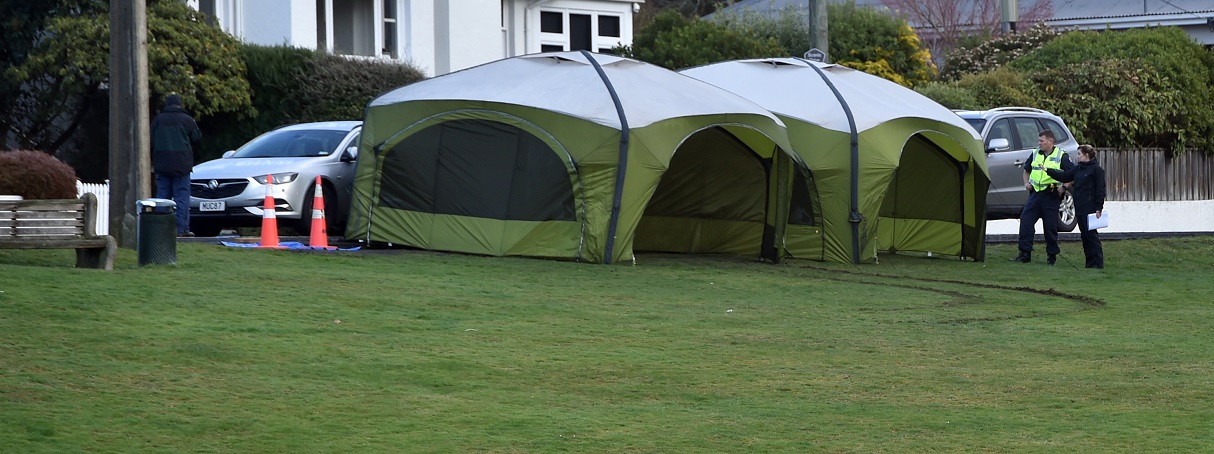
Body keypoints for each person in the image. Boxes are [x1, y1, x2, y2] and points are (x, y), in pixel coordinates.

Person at [1012, 129, 1073, 265]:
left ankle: (1052, 256)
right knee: (1026, 221)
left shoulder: (1061, 156)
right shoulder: (1035, 154)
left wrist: (1063, 187)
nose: (1039, 143)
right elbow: (1026, 170)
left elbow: (1072, 174)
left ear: (1050, 141)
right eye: (1039, 140)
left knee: (1050, 226)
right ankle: (1025, 253)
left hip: (1050, 194)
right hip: (1035, 194)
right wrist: (1026, 183)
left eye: (1042, 141)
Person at [150, 93, 202, 237]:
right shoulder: (187, 119)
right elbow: (197, 137)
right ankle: (181, 229)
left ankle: (162, 230)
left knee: (162, 197)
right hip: (182, 165)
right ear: (179, 104)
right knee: (181, 198)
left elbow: (151, 139)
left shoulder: (158, 120)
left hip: (162, 164)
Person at [1047, 145, 1106, 268]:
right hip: (1079, 206)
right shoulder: (1078, 169)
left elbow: (1100, 190)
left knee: (1091, 236)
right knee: (1084, 236)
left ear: (1086, 155)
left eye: (1079, 154)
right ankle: (1089, 263)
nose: (1077, 156)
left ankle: (1098, 263)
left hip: (1090, 208)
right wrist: (1048, 170)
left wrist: (1098, 207)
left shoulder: (1096, 170)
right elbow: (1065, 176)